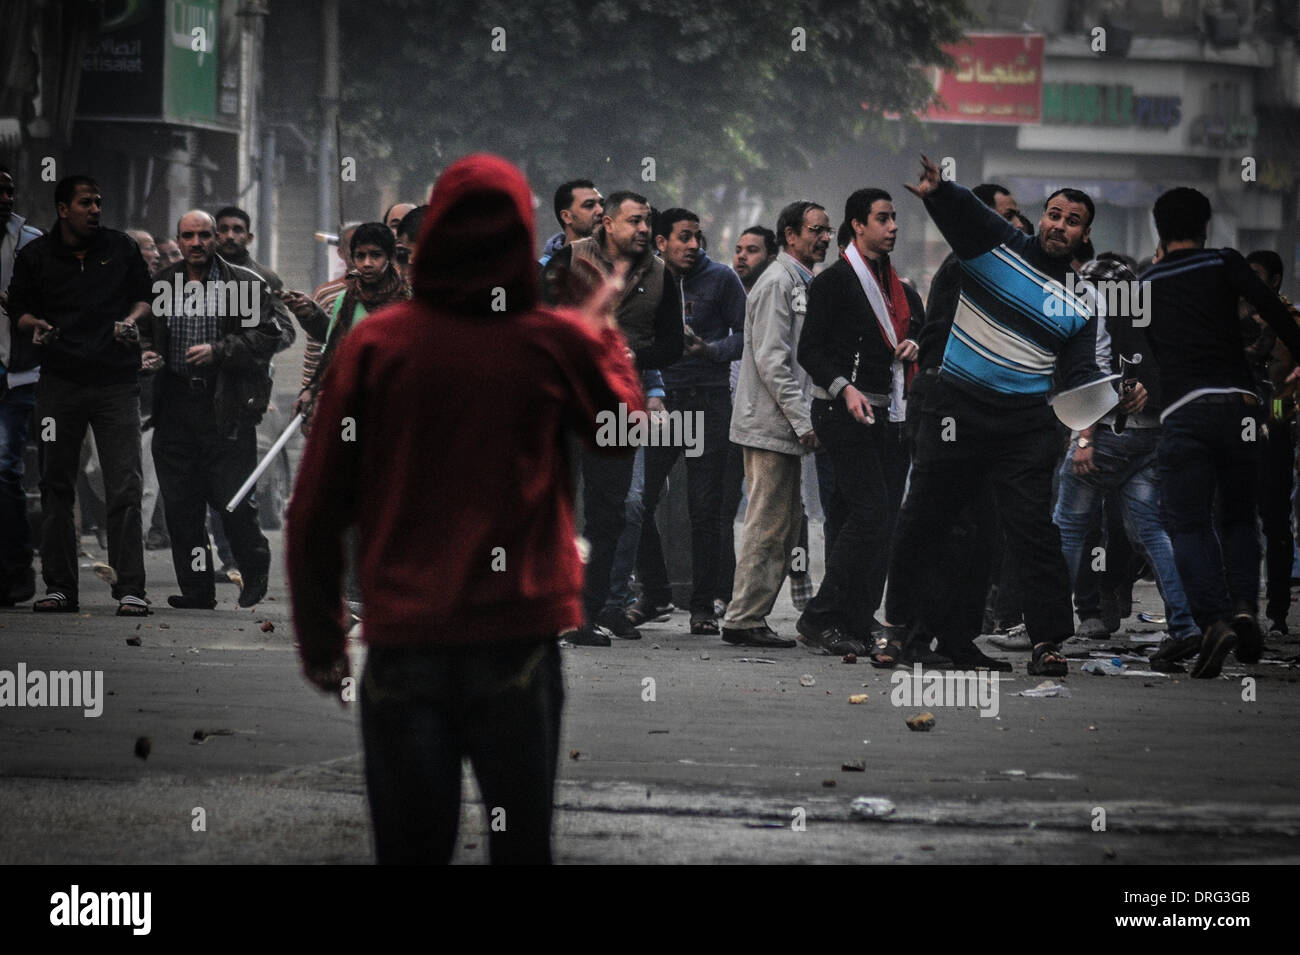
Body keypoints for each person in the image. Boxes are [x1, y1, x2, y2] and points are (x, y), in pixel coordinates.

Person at [288, 153, 642, 864]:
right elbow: (620, 431)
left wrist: (323, 638)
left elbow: (316, 505)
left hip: (404, 636)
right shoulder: (551, 340)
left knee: (412, 844)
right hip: (516, 636)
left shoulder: (378, 344)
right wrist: (599, 324)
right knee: (520, 843)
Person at [880, 156, 1140, 675]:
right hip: (956, 412)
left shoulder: (1082, 303)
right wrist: (940, 191)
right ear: (1042, 217)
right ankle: (895, 631)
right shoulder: (995, 246)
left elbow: (1083, 375)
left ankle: (1047, 643)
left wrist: (1119, 392)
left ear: (1084, 235)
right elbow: (968, 214)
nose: (1058, 225)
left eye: (1071, 221)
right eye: (1054, 214)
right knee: (922, 520)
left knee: (1031, 534)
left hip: (1023, 427)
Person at [1143, 188, 1300, 677]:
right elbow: (1273, 311)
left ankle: (1213, 621)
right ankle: (1244, 608)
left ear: (1158, 229)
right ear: (1206, 226)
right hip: (1242, 408)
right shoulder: (1224, 263)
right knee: (1238, 517)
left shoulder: (1147, 282)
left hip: (1184, 413)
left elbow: (1135, 348)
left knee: (1188, 522)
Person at [8, 175, 152, 616]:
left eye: (99, 202)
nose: (96, 210)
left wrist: (131, 321)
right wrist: (35, 325)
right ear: (63, 208)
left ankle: (130, 588)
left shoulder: (120, 248)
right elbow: (18, 308)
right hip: (58, 385)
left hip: (115, 385)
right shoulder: (35, 256)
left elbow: (145, 297)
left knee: (124, 484)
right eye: (86, 203)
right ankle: (60, 588)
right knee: (55, 484)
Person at [542, 190, 682, 645]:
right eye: (635, 222)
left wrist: (634, 352)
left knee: (610, 514)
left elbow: (672, 346)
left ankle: (588, 615)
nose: (644, 230)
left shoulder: (663, 275)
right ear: (608, 223)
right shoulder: (567, 261)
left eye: (647, 222)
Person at [1052, 255, 1199, 665]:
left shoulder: (1097, 309)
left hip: (1109, 434)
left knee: (1067, 527)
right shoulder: (1146, 313)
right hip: (1152, 436)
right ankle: (1186, 625)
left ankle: (1046, 626)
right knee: (1151, 531)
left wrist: (1083, 437)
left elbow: (1096, 372)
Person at [795, 187, 922, 654]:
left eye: (894, 219)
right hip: (840, 411)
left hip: (892, 415)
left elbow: (926, 335)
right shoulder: (833, 283)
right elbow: (809, 351)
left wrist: (918, 346)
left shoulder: (903, 292)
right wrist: (842, 387)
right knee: (870, 512)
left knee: (875, 518)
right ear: (858, 225)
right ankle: (819, 617)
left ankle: (857, 619)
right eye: (883, 219)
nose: (892, 227)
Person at [139, 209, 280, 610]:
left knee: (232, 500)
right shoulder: (163, 284)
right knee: (182, 506)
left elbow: (264, 338)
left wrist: (220, 351)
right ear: (178, 241)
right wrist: (147, 353)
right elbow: (147, 334)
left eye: (204, 235)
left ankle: (253, 571)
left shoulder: (244, 285)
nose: (196, 243)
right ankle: (197, 589)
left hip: (226, 406)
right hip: (176, 404)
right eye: (188, 236)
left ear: (215, 238)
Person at [721, 200, 830, 649]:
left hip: (780, 423)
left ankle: (751, 616)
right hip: (771, 423)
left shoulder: (797, 280)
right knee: (767, 525)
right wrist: (803, 419)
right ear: (790, 234)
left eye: (828, 230)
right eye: (815, 230)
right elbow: (772, 361)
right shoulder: (777, 282)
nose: (824, 237)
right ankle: (743, 618)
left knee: (780, 526)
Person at [634, 208, 745, 634]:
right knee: (639, 500)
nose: (693, 245)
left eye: (698, 237)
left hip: (707, 402)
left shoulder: (722, 279)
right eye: (684, 237)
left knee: (705, 510)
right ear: (660, 242)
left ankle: (703, 606)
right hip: (661, 406)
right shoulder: (646, 280)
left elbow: (746, 335)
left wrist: (709, 349)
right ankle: (656, 592)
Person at [1243, 249, 1300, 638]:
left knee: (1276, 521)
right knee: (1237, 520)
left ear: (1275, 280)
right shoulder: (1234, 318)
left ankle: (1277, 611)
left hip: (1276, 428)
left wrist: (1275, 414)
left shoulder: (1289, 323)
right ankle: (1242, 607)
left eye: (1258, 275)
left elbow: (1285, 390)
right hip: (1236, 428)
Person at [0, 164, 43, 606]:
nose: (4, 199)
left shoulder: (32, 243)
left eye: (9, 191)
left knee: (5, 469)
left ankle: (17, 571)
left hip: (15, 374)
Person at [539, 179, 603, 267]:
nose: (601, 211)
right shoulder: (544, 270)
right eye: (589, 205)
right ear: (566, 217)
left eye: (602, 204)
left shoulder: (620, 264)